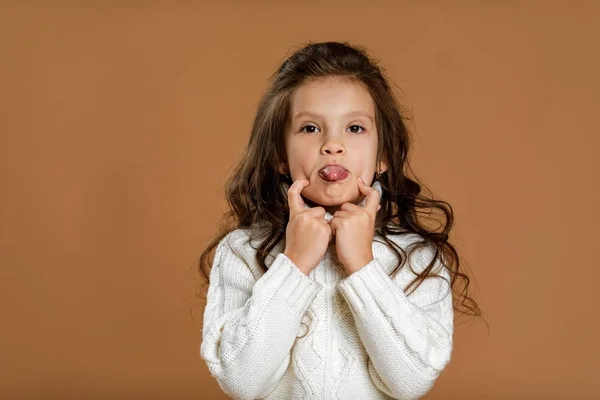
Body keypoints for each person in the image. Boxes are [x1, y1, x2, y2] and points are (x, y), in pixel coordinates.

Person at [198, 41, 481, 400]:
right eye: (311, 129)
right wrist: (295, 264)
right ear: (280, 157)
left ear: (384, 156)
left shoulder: (417, 256)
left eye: (355, 128)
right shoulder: (242, 251)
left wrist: (363, 266)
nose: (333, 145)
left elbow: (410, 381)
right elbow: (242, 380)